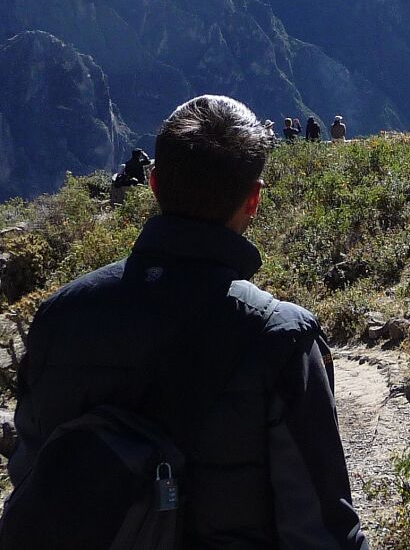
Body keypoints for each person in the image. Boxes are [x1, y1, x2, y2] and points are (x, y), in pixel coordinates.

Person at [2, 95, 369, 549]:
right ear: (253, 199)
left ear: (153, 183)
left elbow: (31, 484)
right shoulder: (281, 340)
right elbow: (322, 533)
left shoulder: (58, 316)